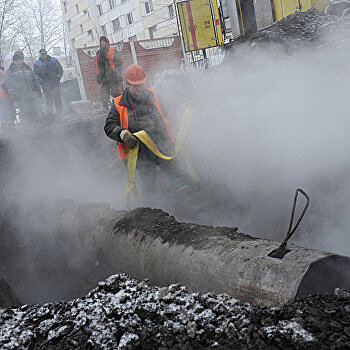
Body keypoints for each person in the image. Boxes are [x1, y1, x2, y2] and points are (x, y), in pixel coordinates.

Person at [104, 64, 187, 203]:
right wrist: (122, 133)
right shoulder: (119, 104)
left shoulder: (153, 96)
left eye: (140, 85)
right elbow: (109, 126)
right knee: (149, 183)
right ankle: (152, 210)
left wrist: (179, 110)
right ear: (127, 84)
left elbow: (165, 112)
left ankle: (185, 199)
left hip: (160, 143)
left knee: (175, 174)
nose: (138, 89)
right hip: (141, 151)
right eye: (135, 86)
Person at [6, 51, 42, 124]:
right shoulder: (10, 71)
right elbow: (9, 84)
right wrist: (11, 94)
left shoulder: (27, 68)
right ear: (14, 61)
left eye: (21, 60)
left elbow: (34, 80)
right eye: (17, 60)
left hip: (31, 95)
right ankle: (27, 131)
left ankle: (38, 128)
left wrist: (38, 90)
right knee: (25, 115)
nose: (19, 62)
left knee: (35, 113)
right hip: (20, 98)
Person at [96, 36, 123, 110]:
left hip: (113, 76)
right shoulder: (98, 52)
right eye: (101, 41)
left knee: (116, 93)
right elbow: (97, 65)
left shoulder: (113, 50)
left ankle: (121, 107)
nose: (102, 43)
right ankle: (105, 111)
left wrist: (118, 74)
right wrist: (98, 76)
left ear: (107, 42)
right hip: (103, 78)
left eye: (104, 41)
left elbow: (119, 63)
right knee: (104, 95)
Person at [34, 48, 63, 116]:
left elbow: (60, 69)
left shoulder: (54, 60)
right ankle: (51, 115)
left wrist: (58, 77)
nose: (44, 55)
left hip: (55, 83)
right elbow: (36, 75)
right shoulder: (37, 63)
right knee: (49, 100)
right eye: (42, 54)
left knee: (57, 100)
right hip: (45, 86)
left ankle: (59, 114)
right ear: (40, 54)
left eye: (45, 53)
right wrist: (41, 82)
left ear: (47, 53)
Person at [0, 61, 15, 128]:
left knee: (3, 112)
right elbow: (5, 84)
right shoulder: (2, 72)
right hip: (3, 96)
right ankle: (8, 128)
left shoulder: (2, 72)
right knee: (6, 112)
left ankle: (4, 126)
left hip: (3, 96)